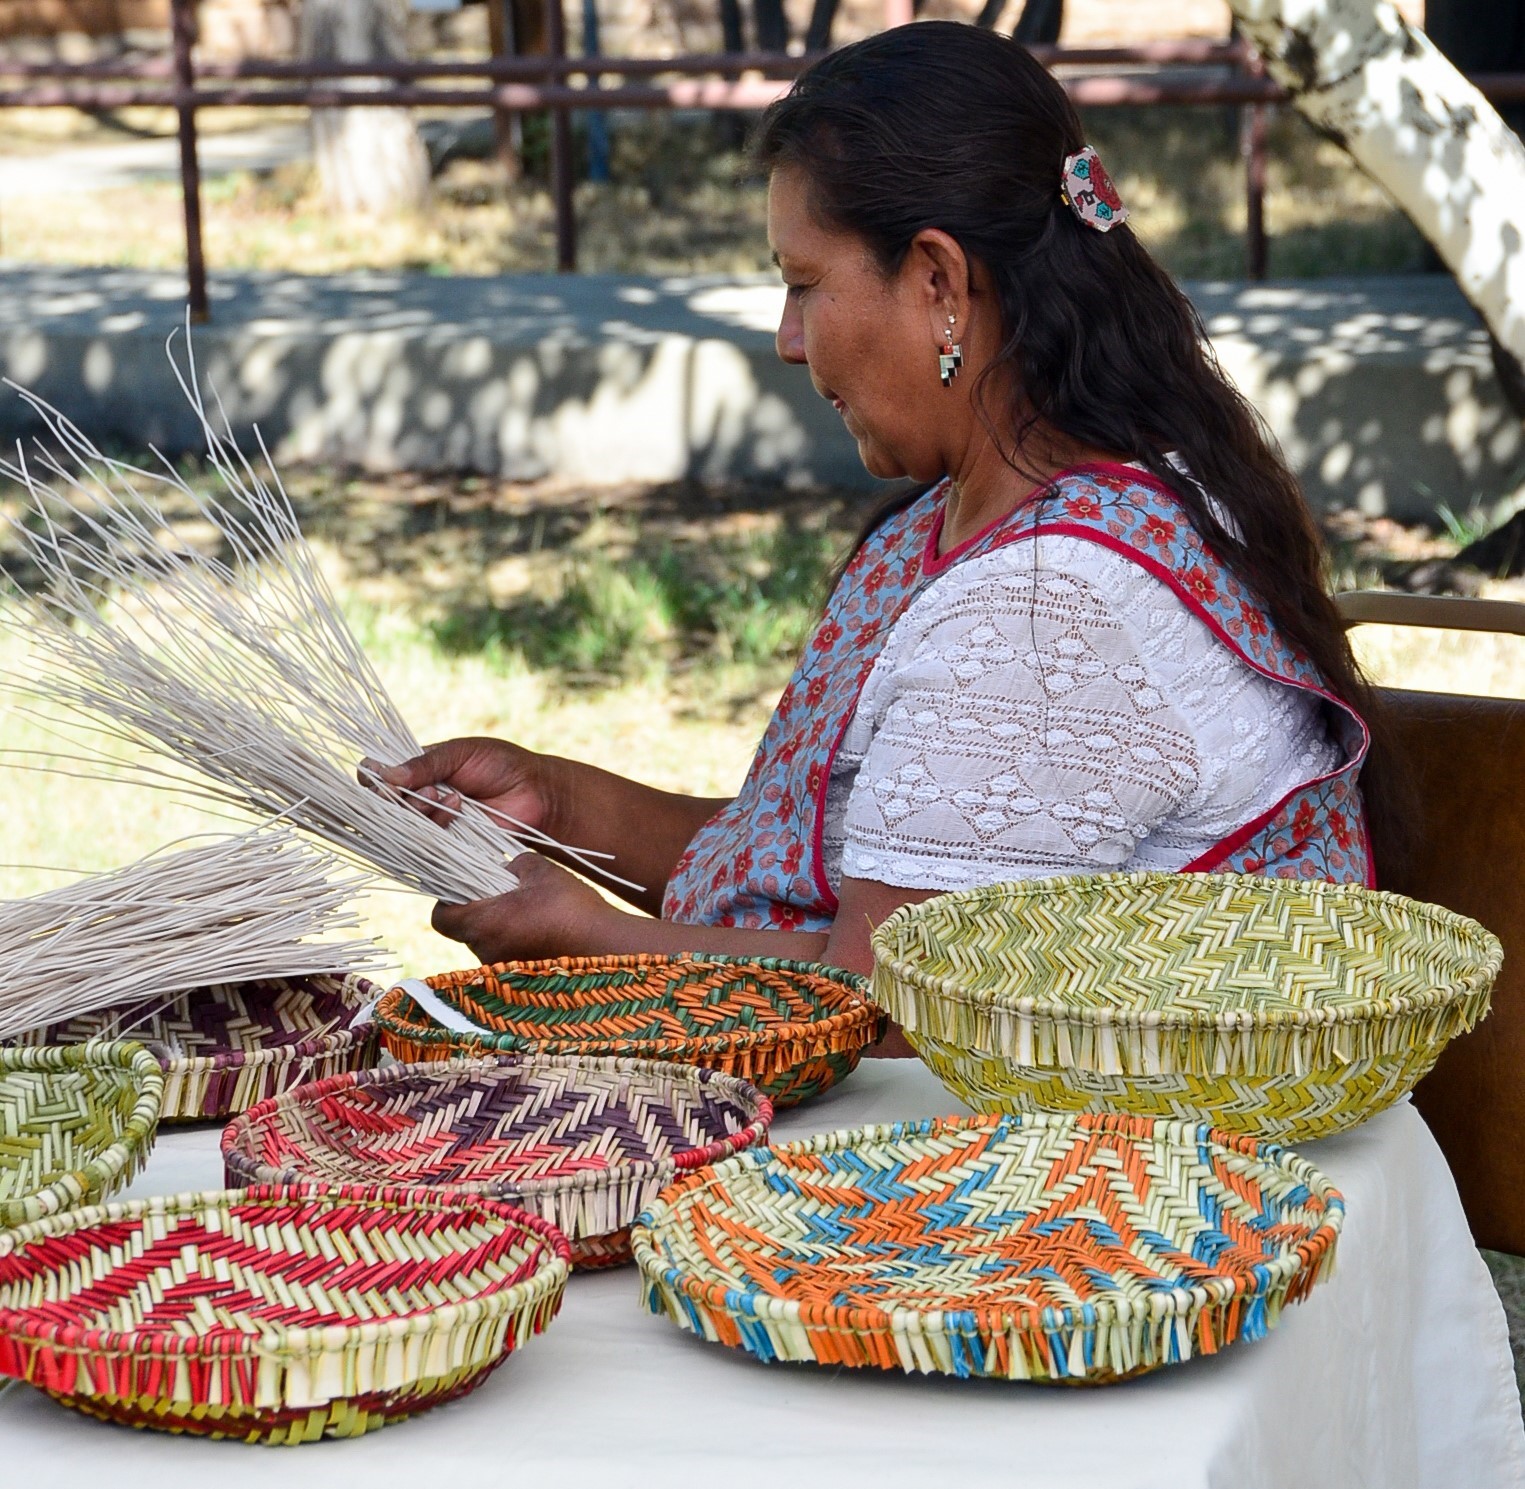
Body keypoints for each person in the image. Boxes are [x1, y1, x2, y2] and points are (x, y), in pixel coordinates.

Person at [369, 21, 1384, 1006]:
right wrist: (558, 804)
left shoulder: (1048, 608)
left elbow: (887, 1000)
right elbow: (831, 864)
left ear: (938, 281)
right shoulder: (986, 522)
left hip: (1106, 1159)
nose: (787, 340)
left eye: (803, 285)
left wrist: (588, 943)